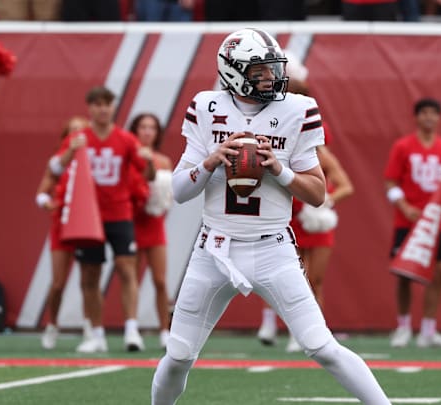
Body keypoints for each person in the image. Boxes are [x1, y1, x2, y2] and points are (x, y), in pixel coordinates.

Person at [150, 28, 390, 405]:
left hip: (272, 247)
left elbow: (317, 193)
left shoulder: (298, 109)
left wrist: (279, 170)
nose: (272, 77)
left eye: (272, 68)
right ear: (233, 71)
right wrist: (212, 161)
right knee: (178, 355)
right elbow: (180, 191)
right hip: (214, 248)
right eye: (260, 69)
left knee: (321, 346)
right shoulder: (206, 107)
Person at [256, 62, 355, 352]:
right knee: (284, 276)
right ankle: (272, 324)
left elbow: (346, 185)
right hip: (289, 220)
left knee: (315, 279)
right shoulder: (278, 145)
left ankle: (311, 332)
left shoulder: (320, 155)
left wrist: (327, 202)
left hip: (316, 222)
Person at [49, 86, 154, 353]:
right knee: (89, 275)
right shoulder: (79, 137)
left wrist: (149, 160)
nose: (103, 109)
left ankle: (132, 329)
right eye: (97, 104)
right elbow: (55, 170)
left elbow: (149, 176)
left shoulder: (126, 139)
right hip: (88, 217)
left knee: (126, 268)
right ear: (90, 108)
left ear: (113, 107)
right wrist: (71, 151)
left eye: (107, 104)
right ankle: (96, 334)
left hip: (119, 213)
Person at [384, 98, 441, 349]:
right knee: (404, 275)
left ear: (440, 118)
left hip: (435, 223)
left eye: (433, 113)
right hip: (407, 222)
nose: (429, 118)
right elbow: (390, 183)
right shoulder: (403, 146)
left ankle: (429, 329)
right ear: (416, 117)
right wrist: (405, 207)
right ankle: (403, 326)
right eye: (424, 113)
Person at [37, 116, 94, 349]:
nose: (78, 136)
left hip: (86, 225)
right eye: (72, 132)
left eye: (81, 131)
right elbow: (41, 192)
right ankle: (52, 324)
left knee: (88, 280)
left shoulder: (94, 161)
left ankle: (91, 328)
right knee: (58, 282)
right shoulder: (58, 162)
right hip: (62, 225)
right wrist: (47, 203)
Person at [129, 112, 174, 349]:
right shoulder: (129, 155)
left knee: (159, 280)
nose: (147, 132)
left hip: (154, 225)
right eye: (143, 127)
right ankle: (132, 328)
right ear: (135, 130)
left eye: (152, 128)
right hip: (133, 222)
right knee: (132, 279)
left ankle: (165, 331)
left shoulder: (164, 160)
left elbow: (166, 195)